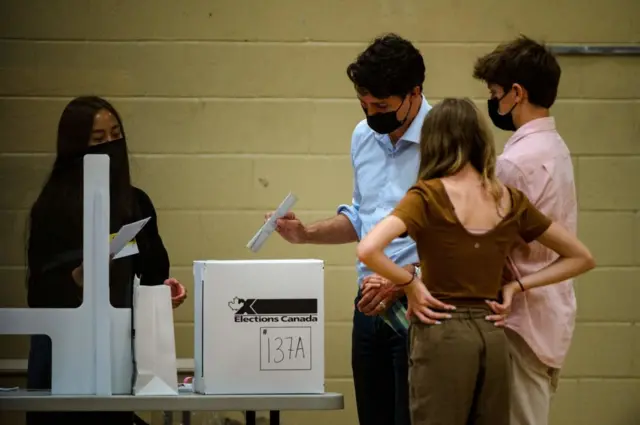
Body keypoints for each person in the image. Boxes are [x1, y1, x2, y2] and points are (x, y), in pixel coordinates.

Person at [356, 97, 594, 425]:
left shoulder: (427, 195)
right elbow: (582, 257)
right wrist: (517, 286)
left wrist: (410, 284)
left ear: (432, 142)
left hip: (443, 332)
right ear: (481, 140)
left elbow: (368, 249)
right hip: (493, 334)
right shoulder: (508, 198)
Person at [265, 33, 430, 425]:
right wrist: (306, 234)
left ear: (414, 93)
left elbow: (459, 233)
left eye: (382, 105)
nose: (372, 113)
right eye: (364, 103)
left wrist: (405, 280)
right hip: (368, 303)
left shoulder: (444, 136)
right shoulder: (363, 135)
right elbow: (362, 217)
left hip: (419, 300)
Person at [25, 96, 187, 425]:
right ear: (76, 148)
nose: (111, 145)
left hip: (118, 358)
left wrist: (162, 294)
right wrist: (80, 276)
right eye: (98, 140)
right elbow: (40, 293)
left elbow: (153, 272)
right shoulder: (53, 209)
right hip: (65, 362)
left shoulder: (136, 202)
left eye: (116, 135)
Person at [472, 36, 577, 425]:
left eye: (496, 94)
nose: (494, 103)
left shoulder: (515, 163)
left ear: (517, 93)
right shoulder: (558, 148)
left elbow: (488, 241)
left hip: (519, 320)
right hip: (549, 315)